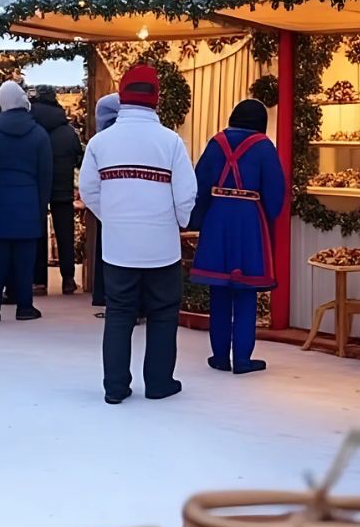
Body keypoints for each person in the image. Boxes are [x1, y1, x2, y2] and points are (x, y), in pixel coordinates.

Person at [80, 65, 196, 404]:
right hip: (162, 246)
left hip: (118, 247)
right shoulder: (171, 141)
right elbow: (186, 194)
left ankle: (115, 387)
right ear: (156, 98)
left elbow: (88, 190)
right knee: (162, 313)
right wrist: (175, 221)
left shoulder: (101, 142)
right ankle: (159, 383)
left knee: (119, 314)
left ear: (123, 95)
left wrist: (112, 218)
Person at [188, 99, 285, 374]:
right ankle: (242, 358)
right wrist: (265, 218)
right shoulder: (264, 147)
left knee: (218, 288)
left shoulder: (216, 142)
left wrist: (200, 219)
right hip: (249, 219)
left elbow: (200, 182)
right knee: (245, 290)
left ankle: (219, 355)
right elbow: (276, 194)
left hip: (218, 218)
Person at [0, 80, 52, 322]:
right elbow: (45, 176)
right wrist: (41, 208)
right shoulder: (39, 134)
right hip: (28, 201)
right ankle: (25, 306)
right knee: (25, 259)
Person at [30, 85, 83, 295]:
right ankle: (68, 279)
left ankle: (39, 281)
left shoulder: (32, 128)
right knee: (65, 233)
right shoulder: (67, 130)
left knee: (38, 233)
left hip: (37, 186)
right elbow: (79, 157)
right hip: (63, 186)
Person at [90, 93, 121, 314]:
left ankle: (109, 298)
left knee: (109, 255)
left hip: (109, 205)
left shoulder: (102, 141)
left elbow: (89, 184)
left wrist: (102, 210)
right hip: (135, 208)